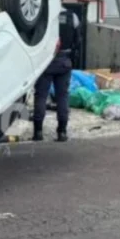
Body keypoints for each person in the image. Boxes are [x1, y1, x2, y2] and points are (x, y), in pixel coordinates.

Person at [33, 9, 82, 142]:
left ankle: (38, 132)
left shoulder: (42, 15)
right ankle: (62, 132)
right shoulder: (72, 16)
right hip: (64, 61)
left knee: (41, 96)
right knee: (62, 97)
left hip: (46, 61)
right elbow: (77, 41)